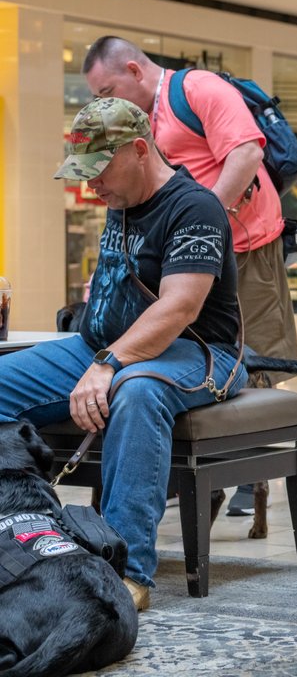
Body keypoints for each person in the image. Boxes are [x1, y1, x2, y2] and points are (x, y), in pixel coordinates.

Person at [0, 97, 247, 610]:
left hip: (198, 353)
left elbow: (179, 308)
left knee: (135, 392)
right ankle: (19, 538)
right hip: (99, 346)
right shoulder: (122, 200)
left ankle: (124, 571)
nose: (89, 184)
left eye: (98, 170)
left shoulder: (194, 206)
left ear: (140, 149)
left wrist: (108, 363)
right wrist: (99, 350)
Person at [82, 36, 297, 516]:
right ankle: (181, 469)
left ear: (135, 70)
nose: (105, 102)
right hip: (179, 257)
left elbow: (246, 153)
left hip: (243, 247)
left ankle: (246, 475)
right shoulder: (138, 121)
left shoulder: (197, 89)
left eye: (107, 90)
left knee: (254, 356)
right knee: (171, 350)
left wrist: (201, 228)